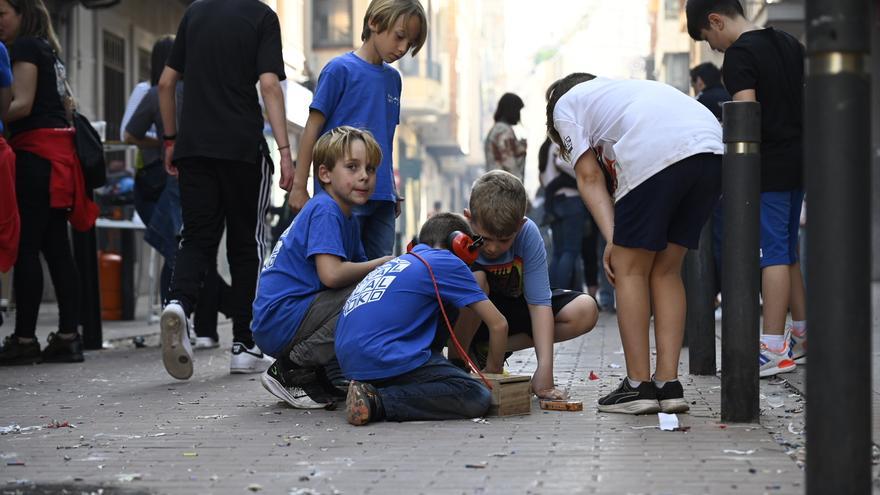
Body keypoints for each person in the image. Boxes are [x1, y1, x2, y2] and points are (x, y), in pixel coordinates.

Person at [546, 72, 722, 414]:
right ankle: (668, 385)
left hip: (656, 149)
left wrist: (614, 240)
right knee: (667, 271)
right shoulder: (622, 92)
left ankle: (638, 386)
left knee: (630, 271)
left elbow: (588, 176)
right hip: (712, 149)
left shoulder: (566, 105)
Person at [157, 0, 293, 379]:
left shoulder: (195, 13)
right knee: (246, 244)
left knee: (196, 237)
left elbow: (166, 83)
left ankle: (178, 305)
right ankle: (244, 344)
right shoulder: (262, 17)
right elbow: (269, 84)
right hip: (241, 150)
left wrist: (170, 139)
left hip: (194, 149)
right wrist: (285, 152)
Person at [687, 0, 807, 374]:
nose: (714, 48)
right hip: (799, 159)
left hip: (767, 166)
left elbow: (745, 122)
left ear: (716, 20)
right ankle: (802, 336)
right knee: (788, 251)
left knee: (770, 253)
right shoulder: (790, 42)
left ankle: (772, 347)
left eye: (709, 39)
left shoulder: (739, 56)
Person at [254, 126, 393, 408]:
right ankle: (291, 369)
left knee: (371, 288)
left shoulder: (346, 216)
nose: (364, 176)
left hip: (292, 316)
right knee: (366, 293)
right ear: (325, 174)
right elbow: (331, 275)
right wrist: (385, 262)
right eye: (352, 167)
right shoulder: (325, 210)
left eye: (371, 169)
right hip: (280, 318)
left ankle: (318, 373)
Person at [335, 212, 509, 426]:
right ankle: (377, 401)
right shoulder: (446, 261)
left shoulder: (401, 262)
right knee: (476, 394)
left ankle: (369, 389)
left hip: (351, 362)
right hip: (385, 356)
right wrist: (492, 374)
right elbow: (499, 324)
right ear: (461, 243)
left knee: (447, 302)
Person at [0, 0, 99, 366]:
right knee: (57, 249)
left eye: (1, 15)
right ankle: (68, 336)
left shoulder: (24, 47)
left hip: (36, 159)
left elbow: (21, 104)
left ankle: (25, 339)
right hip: (58, 160)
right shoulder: (50, 51)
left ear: (23, 13)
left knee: (29, 248)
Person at [289, 0, 428, 260]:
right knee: (339, 272)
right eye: (399, 37)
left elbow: (385, 136)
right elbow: (313, 128)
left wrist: (392, 189)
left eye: (409, 43)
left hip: (383, 198)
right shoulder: (338, 70)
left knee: (378, 277)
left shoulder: (393, 79)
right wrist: (299, 186)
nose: (402, 48)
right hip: (341, 194)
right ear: (374, 22)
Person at [449, 170, 599, 400]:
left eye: (504, 240)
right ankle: (460, 365)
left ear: (521, 225)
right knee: (477, 282)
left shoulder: (528, 233)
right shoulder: (457, 236)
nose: (492, 248)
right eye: (486, 238)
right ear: (469, 218)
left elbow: (539, 305)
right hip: (470, 319)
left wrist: (544, 373)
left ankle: (489, 348)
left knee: (586, 309)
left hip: (511, 312)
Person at [690, 61, 730, 321]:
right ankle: (736, 295)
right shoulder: (731, 98)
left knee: (711, 239)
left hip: (710, 176)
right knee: (732, 238)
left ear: (700, 81)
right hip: (739, 176)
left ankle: (712, 295)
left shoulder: (700, 101)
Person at [538, 137, 590, 291]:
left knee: (559, 253)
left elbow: (543, 177)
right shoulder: (558, 144)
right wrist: (583, 173)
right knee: (570, 251)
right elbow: (561, 162)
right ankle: (562, 294)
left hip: (555, 202)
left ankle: (553, 293)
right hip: (571, 200)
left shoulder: (545, 147)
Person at [485, 93, 527, 181]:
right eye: (518, 110)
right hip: (505, 188)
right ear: (511, 110)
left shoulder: (496, 129)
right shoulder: (503, 130)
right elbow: (510, 165)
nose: (519, 116)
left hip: (496, 185)